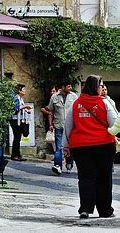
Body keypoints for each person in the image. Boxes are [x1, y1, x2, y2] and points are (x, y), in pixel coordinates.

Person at [63, 74, 117, 220]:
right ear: (96, 87)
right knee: (104, 178)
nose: (102, 89)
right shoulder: (104, 103)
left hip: (81, 147)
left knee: (86, 177)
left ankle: (85, 209)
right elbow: (114, 123)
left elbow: (68, 125)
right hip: (104, 145)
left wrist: (66, 146)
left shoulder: (76, 103)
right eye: (101, 86)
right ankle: (105, 210)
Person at [47, 80, 77, 175]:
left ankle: (69, 163)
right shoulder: (54, 97)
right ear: (63, 87)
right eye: (68, 86)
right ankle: (58, 165)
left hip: (70, 126)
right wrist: (50, 124)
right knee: (59, 146)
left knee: (69, 146)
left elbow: (77, 110)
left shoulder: (74, 96)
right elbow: (50, 111)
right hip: (58, 125)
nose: (70, 88)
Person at [10, 83, 31, 161]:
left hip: (20, 119)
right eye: (23, 89)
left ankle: (17, 154)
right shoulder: (16, 98)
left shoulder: (20, 99)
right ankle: (15, 155)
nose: (25, 91)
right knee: (17, 137)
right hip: (15, 120)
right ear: (19, 91)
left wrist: (26, 110)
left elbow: (21, 108)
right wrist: (25, 107)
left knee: (18, 138)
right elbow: (16, 108)